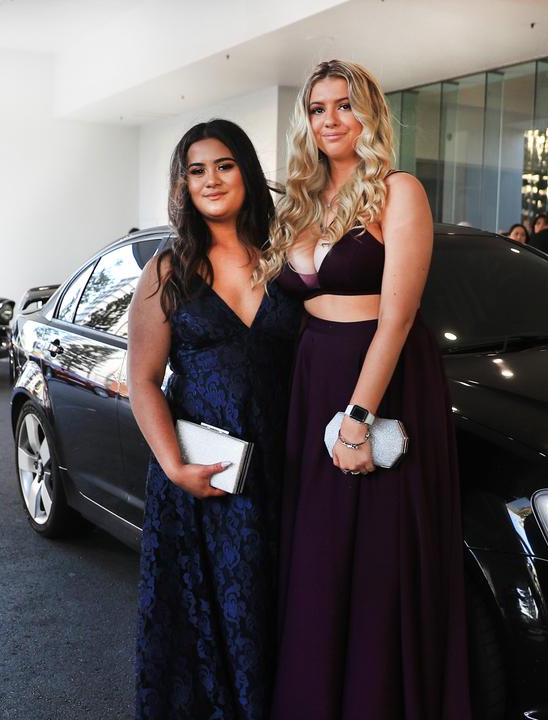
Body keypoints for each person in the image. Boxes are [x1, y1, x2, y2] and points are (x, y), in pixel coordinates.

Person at [268, 59, 471, 719]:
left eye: (343, 105)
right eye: (318, 107)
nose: (330, 120)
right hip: (312, 376)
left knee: (374, 566)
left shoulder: (397, 190)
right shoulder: (298, 201)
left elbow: (399, 315)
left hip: (377, 383)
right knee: (320, 563)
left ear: (370, 113)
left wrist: (357, 418)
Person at [128, 119, 302, 719]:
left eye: (224, 165)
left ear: (246, 172)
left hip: (286, 472)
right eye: (196, 170)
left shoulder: (286, 260)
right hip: (204, 485)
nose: (211, 180)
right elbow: (143, 380)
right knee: (210, 626)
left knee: (278, 611)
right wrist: (174, 466)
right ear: (183, 184)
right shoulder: (167, 271)